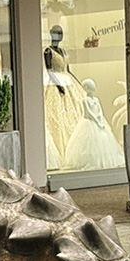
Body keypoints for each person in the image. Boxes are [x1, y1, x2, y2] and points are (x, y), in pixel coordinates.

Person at [42, 25, 86, 168]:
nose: (58, 36)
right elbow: (49, 71)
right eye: (56, 33)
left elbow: (68, 69)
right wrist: (58, 85)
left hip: (68, 82)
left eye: (60, 33)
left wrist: (77, 82)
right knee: (56, 116)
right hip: (55, 84)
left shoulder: (63, 51)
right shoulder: (48, 51)